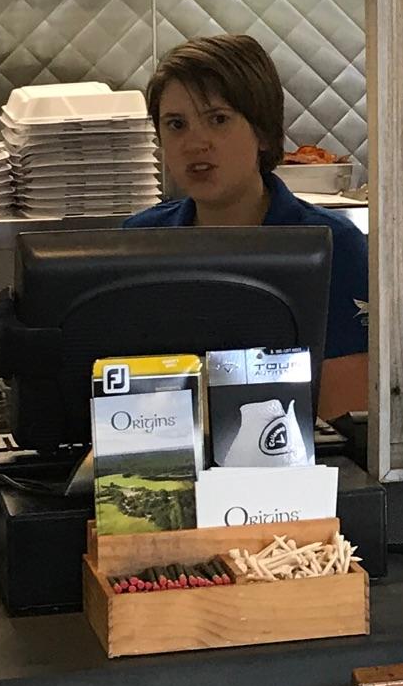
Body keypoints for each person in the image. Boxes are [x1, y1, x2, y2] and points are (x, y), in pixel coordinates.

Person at [124, 34, 371, 418]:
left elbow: (347, 410)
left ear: (263, 132)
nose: (195, 143)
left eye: (218, 119)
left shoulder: (333, 247)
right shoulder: (138, 244)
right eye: (176, 125)